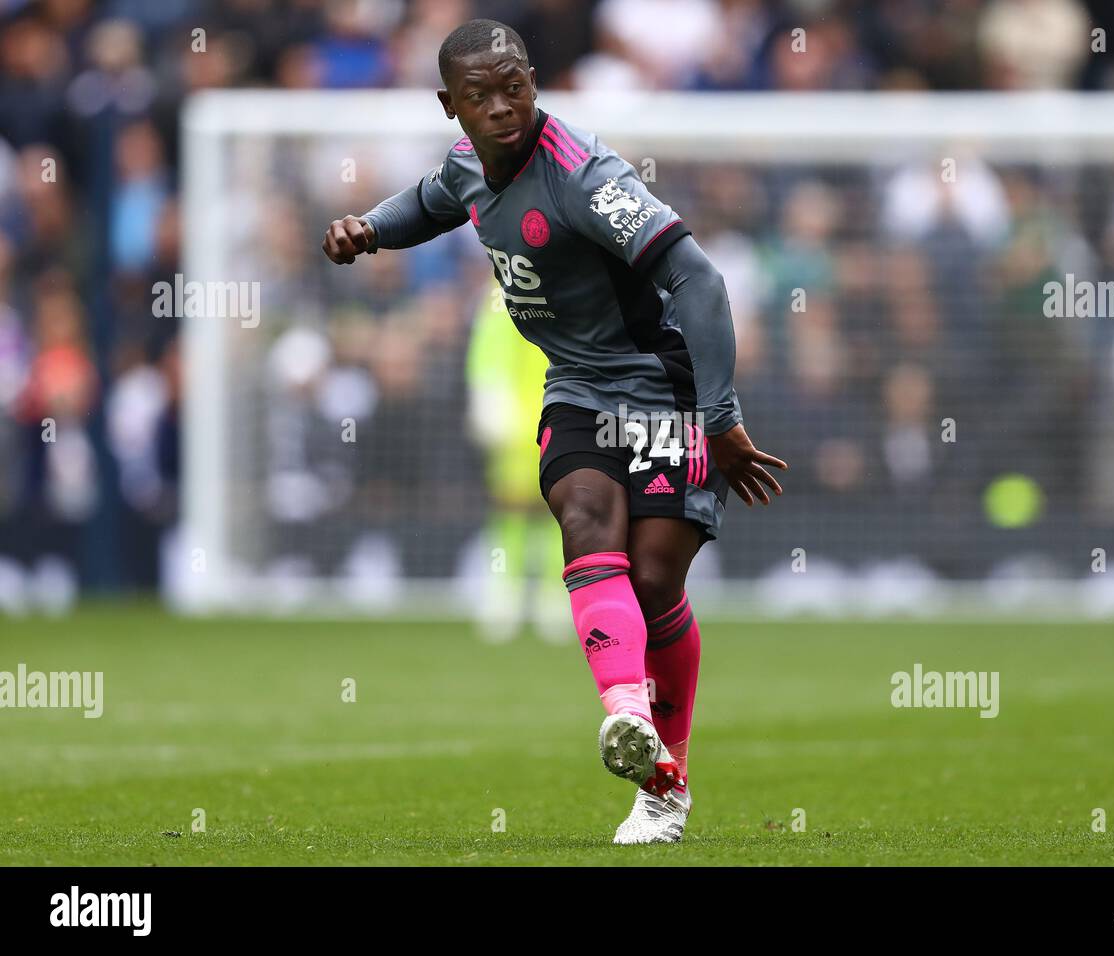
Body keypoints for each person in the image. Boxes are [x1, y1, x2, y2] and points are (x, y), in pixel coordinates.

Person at [322, 18, 787, 844]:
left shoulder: (584, 175)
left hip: (664, 390)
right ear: (449, 106)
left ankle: (666, 781)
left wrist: (721, 420)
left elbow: (699, 277)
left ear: (533, 82)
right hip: (576, 387)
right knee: (580, 518)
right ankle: (633, 735)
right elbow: (432, 201)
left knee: (652, 584)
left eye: (515, 87)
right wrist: (368, 227)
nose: (502, 107)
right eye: (480, 96)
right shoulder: (470, 167)